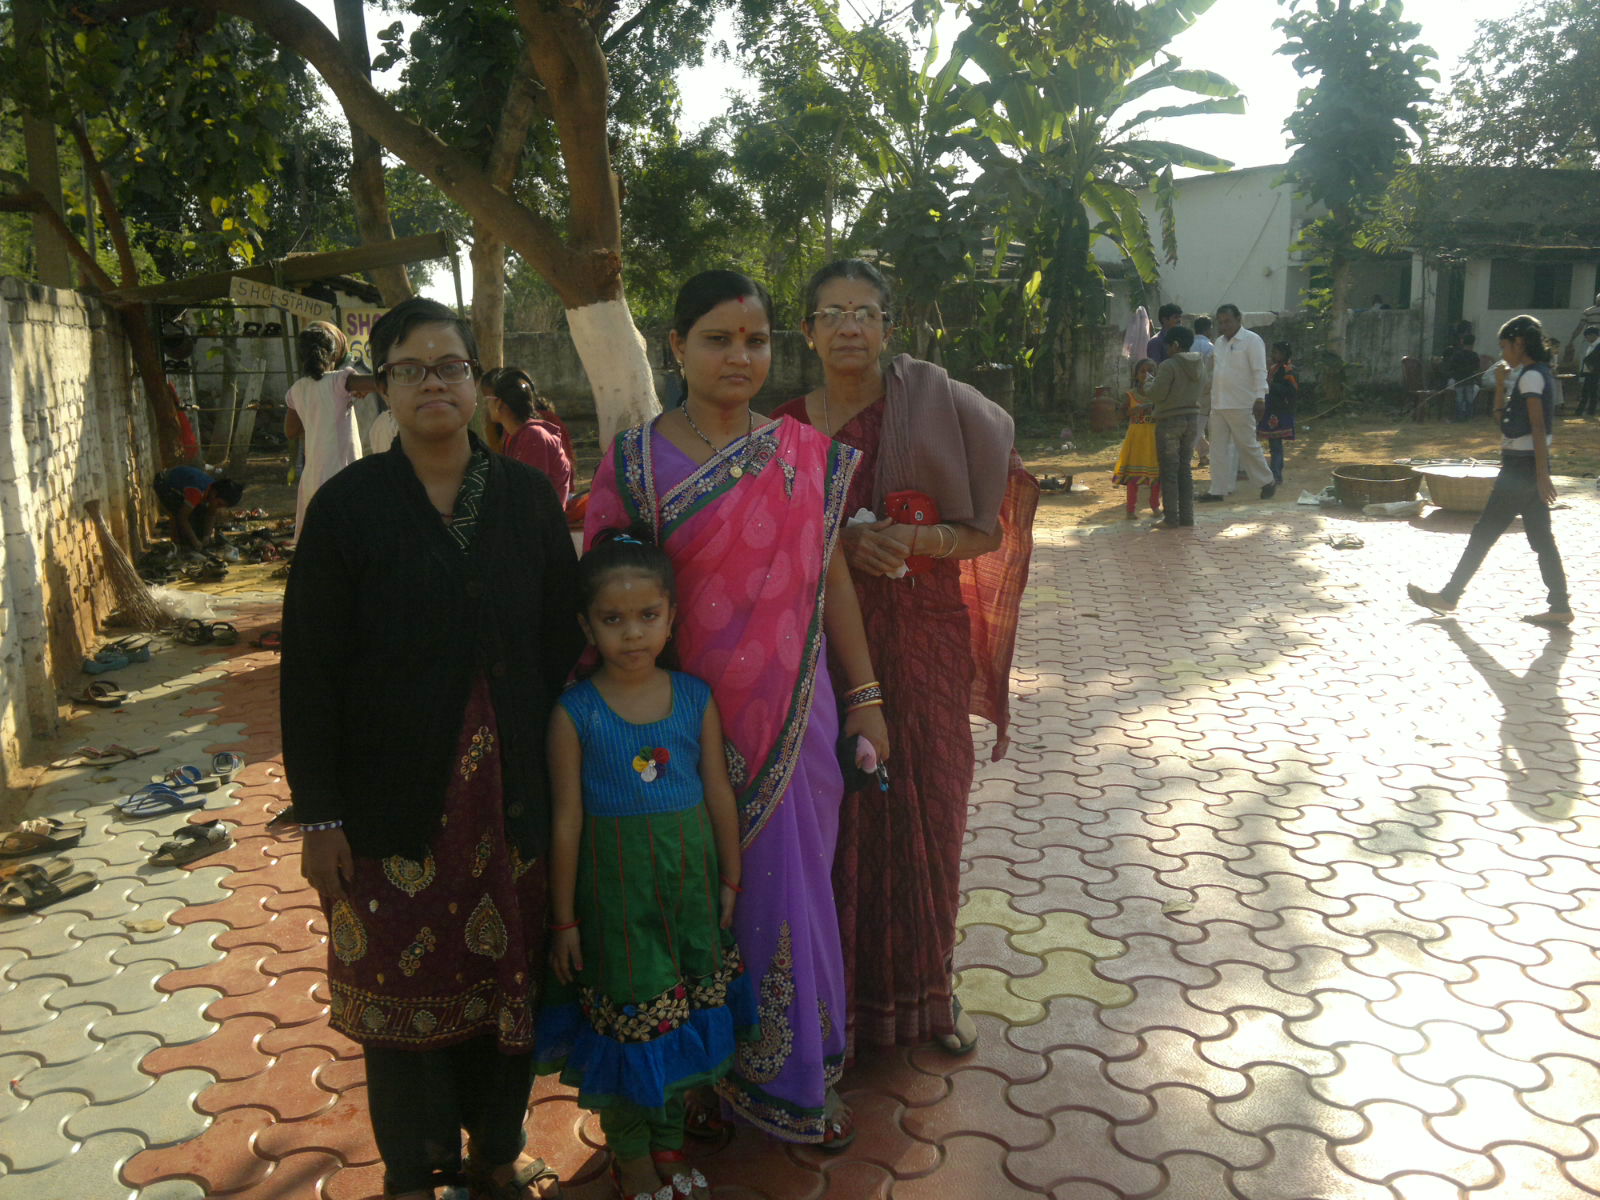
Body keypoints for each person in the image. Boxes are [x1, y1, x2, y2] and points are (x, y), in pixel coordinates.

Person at [282, 297, 582, 1200]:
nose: (433, 384)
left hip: (512, 802)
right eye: (410, 369)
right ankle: (413, 1171)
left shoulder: (527, 499)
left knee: (506, 990)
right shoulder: (348, 509)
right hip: (391, 810)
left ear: (477, 380)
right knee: (401, 1007)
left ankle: (496, 1150)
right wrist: (323, 815)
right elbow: (310, 675)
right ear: (383, 386)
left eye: (450, 366)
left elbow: (565, 641)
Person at [584, 269, 890, 1149]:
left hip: (796, 726)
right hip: (674, 737)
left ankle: (796, 1080)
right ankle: (691, 1090)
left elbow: (832, 578)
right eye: (718, 338)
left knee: (792, 895)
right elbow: (609, 599)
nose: (740, 356)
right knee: (683, 903)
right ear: (676, 346)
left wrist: (865, 699)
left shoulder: (802, 455)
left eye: (755, 340)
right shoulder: (635, 461)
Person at [774, 258, 1037, 1064]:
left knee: (932, 808)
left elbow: (989, 527)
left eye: (865, 312)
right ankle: (837, 1005)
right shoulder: (783, 429)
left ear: (890, 327)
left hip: (923, 631)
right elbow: (770, 541)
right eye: (832, 313)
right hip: (821, 648)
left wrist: (916, 539)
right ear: (810, 331)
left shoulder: (939, 412)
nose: (850, 327)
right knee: (841, 817)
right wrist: (840, 539)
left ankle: (932, 988)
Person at [536, 529, 754, 1200]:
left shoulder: (695, 699)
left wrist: (730, 877)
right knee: (632, 1029)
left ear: (670, 616)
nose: (632, 634)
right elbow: (567, 818)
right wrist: (565, 920)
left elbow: (718, 790)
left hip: (688, 894)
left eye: (647, 616)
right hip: (616, 903)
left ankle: (667, 1150)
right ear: (586, 625)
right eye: (612, 619)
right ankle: (630, 1161)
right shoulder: (575, 713)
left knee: (679, 1020)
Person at [1407, 314, 1572, 628]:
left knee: (1484, 534)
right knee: (1541, 540)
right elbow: (1503, 422)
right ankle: (1560, 604)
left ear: (1519, 343)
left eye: (1505, 346)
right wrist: (1499, 385)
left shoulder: (1532, 377)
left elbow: (1537, 427)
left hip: (1522, 470)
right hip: (1522, 466)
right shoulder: (1529, 375)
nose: (1502, 353)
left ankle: (1450, 596)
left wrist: (1541, 474)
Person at [284, 321, 365, 542]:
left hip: (313, 474)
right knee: (349, 535)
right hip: (343, 470)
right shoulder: (341, 379)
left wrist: (313, 413)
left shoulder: (297, 389)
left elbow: (290, 431)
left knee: (319, 537)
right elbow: (376, 383)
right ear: (333, 355)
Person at [1199, 303, 1278, 502]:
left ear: (1238, 320)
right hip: (1218, 403)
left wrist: (1260, 398)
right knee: (1217, 448)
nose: (1224, 326)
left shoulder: (1252, 340)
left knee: (1247, 445)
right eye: (1221, 322)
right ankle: (1218, 489)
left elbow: (1260, 371)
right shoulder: (1218, 342)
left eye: (1228, 321)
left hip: (1242, 403)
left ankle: (1267, 481)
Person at [483, 367, 575, 507]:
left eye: (488, 399)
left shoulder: (534, 436)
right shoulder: (512, 435)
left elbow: (530, 495)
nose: (485, 405)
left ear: (500, 404)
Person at [1148, 325, 1206, 529]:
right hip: (1192, 419)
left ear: (1175, 344)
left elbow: (1157, 394)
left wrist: (1148, 384)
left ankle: (1171, 517)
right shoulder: (1200, 364)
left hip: (1169, 421)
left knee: (1169, 471)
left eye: (1168, 345)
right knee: (1185, 469)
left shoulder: (1168, 365)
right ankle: (1187, 517)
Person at [1112, 358, 1161, 518]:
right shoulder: (1130, 395)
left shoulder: (1160, 395)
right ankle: (1130, 510)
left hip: (1155, 437)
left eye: (1151, 371)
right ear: (1136, 375)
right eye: (1143, 371)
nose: (1147, 374)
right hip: (1136, 439)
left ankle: (1155, 506)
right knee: (1133, 475)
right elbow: (1118, 416)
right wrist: (1129, 412)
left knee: (1156, 475)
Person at [152, 466, 244, 550]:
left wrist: (206, 537)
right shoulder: (197, 491)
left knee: (199, 514)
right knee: (179, 512)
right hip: (164, 483)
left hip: (183, 488)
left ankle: (185, 541)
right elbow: (182, 517)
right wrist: (195, 541)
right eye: (219, 503)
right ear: (214, 493)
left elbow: (211, 514)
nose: (217, 507)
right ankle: (176, 543)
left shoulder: (213, 491)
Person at [1258, 341, 1297, 485]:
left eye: (1276, 352)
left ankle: (1276, 474)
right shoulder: (1273, 368)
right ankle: (1274, 472)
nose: (1272, 355)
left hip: (1279, 411)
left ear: (1283, 354)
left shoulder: (1288, 370)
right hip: (1270, 410)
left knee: (1275, 445)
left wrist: (1270, 385)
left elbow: (1291, 391)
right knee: (1273, 444)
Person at [1191, 316, 1215, 466]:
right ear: (1208, 329)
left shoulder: (1189, 344)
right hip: (1206, 392)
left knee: (1193, 426)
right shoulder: (1210, 347)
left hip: (1189, 391)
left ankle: (1203, 454)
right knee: (1199, 427)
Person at [1445, 333, 1483, 423]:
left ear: (1462, 342)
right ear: (1473, 344)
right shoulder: (1474, 355)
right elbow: (1476, 368)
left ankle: (1459, 417)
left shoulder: (1457, 355)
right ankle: (1469, 417)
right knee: (1469, 399)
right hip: (1470, 380)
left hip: (1459, 380)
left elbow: (1452, 368)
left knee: (1459, 399)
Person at [1577, 327, 1600, 418]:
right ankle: (1587, 411)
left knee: (1590, 392)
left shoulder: (1597, 345)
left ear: (1593, 335)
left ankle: (1586, 411)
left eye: (1587, 337)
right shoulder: (1593, 345)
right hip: (1590, 372)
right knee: (1589, 392)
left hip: (1594, 372)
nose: (1586, 339)